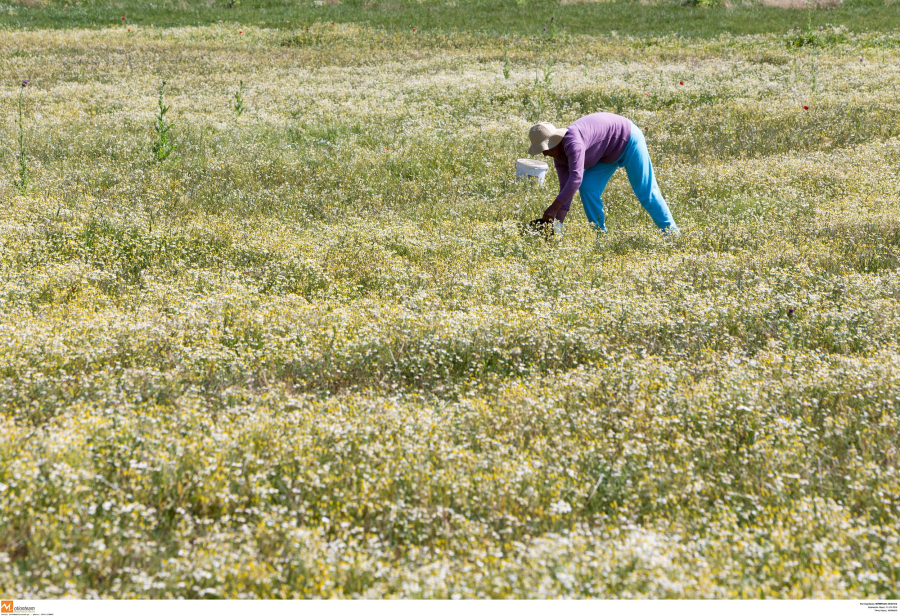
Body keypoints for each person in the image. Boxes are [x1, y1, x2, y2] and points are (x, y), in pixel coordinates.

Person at [527, 112, 678, 234]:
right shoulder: (558, 156)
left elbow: (575, 179)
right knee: (588, 188)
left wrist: (553, 207)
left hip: (628, 139)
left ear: (554, 142)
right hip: (606, 153)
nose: (544, 155)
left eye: (544, 149)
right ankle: (600, 234)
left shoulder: (573, 143)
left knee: (646, 193)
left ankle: (672, 234)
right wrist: (557, 224)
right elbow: (566, 188)